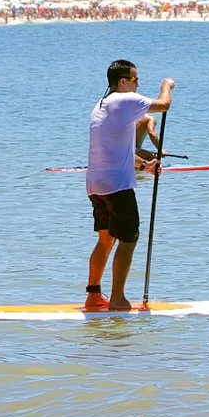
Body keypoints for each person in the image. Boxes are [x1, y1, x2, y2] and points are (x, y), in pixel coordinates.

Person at [84, 59, 172, 312]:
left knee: (106, 240)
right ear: (123, 81)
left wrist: (144, 167)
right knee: (128, 239)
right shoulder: (124, 100)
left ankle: (93, 295)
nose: (137, 85)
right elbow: (164, 105)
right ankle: (118, 299)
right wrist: (167, 85)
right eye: (135, 80)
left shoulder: (100, 105)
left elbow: (115, 150)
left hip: (95, 184)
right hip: (116, 186)